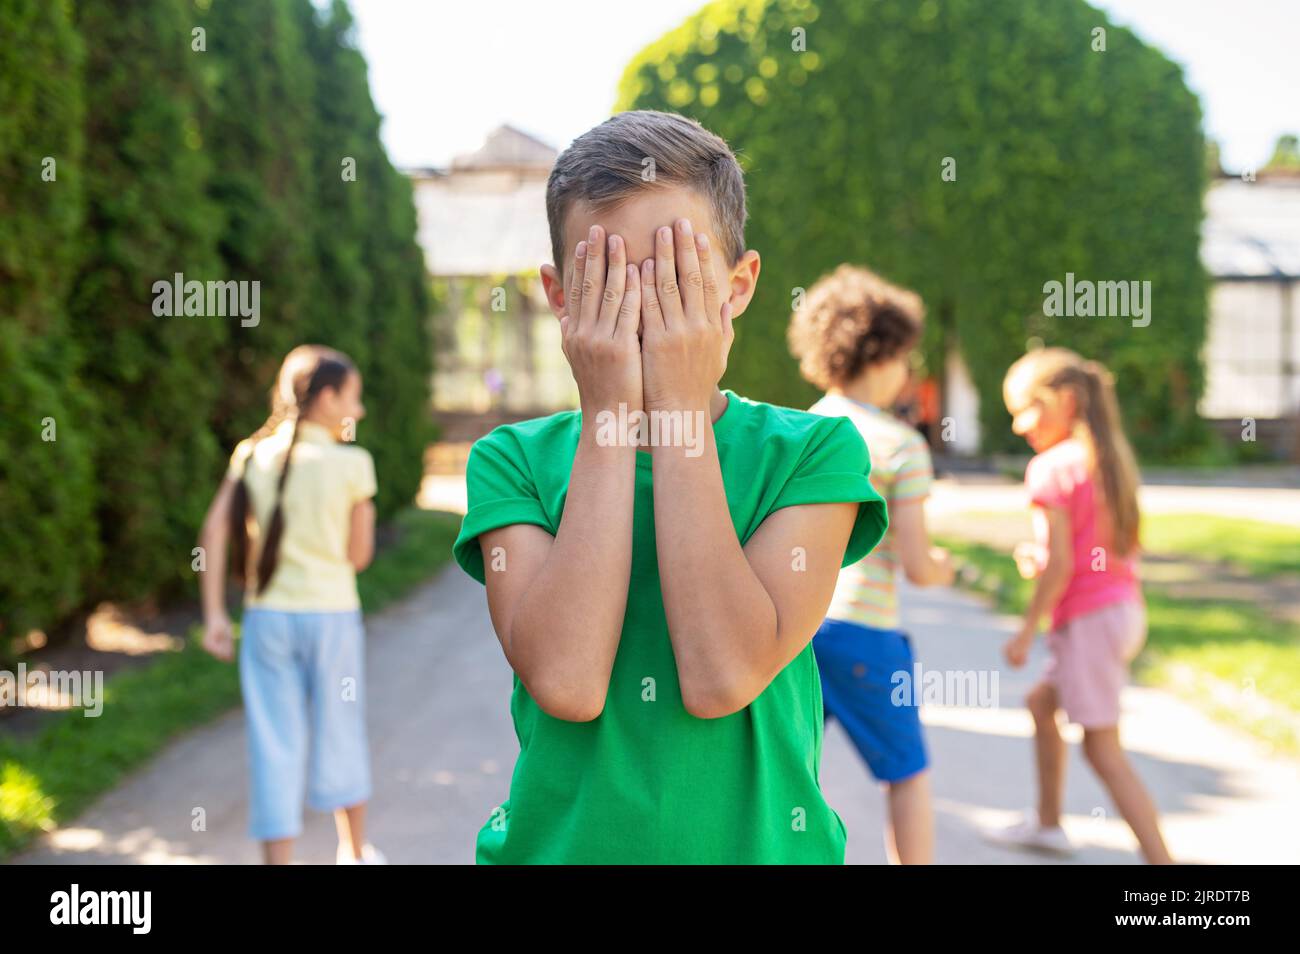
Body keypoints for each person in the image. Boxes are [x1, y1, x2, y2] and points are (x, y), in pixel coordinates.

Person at [451, 110, 889, 864]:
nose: (645, 310)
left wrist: (682, 413)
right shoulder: (511, 461)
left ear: (739, 285)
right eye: (610, 281)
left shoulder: (815, 454)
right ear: (560, 295)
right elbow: (567, 681)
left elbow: (723, 676)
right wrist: (613, 417)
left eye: (677, 277)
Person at [789, 264, 955, 864]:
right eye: (906, 358)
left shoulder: (800, 429)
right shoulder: (899, 444)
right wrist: (945, 568)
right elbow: (915, 563)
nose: (908, 373)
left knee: (790, 773)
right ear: (882, 355)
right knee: (906, 772)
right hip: (865, 630)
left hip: (796, 628)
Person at [198, 345, 385, 865]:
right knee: (341, 728)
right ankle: (352, 853)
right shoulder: (353, 463)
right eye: (355, 398)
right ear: (327, 399)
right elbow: (359, 557)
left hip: (266, 621)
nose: (360, 411)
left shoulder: (251, 453)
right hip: (331, 620)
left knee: (273, 744)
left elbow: (213, 530)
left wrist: (215, 615)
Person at [989, 347, 1172, 864]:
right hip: (1120, 612)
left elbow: (1062, 566)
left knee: (1100, 747)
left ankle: (1164, 864)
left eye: (1028, 409)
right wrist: (1047, 563)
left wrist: (1026, 630)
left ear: (1065, 401)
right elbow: (1093, 553)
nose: (1021, 425)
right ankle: (1048, 824)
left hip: (1089, 623)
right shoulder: (1107, 457)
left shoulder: (1050, 468)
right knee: (1042, 704)